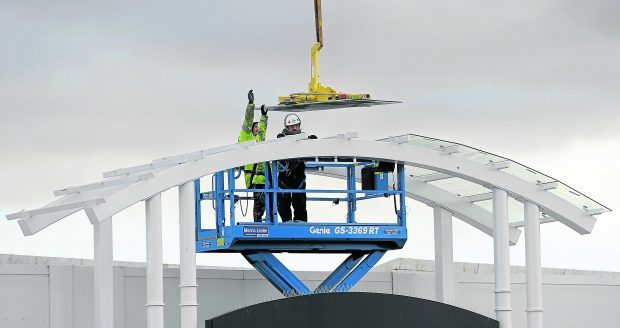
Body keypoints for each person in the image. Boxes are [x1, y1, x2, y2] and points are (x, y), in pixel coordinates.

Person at [276, 113, 317, 222]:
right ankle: (286, 223)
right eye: (292, 126)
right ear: (287, 127)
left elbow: (310, 154)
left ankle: (301, 223)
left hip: (298, 178)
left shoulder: (304, 139)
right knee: (283, 204)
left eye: (296, 125)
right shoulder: (282, 140)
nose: (294, 128)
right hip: (284, 178)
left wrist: (312, 143)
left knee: (300, 203)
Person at [238, 90, 270, 222]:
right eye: (254, 126)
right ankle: (258, 223)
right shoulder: (246, 137)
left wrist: (263, 117)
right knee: (259, 204)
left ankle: (264, 221)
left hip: (263, 178)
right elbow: (248, 120)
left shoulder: (258, 139)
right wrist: (251, 104)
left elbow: (263, 130)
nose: (257, 128)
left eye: (257, 126)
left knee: (266, 202)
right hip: (254, 179)